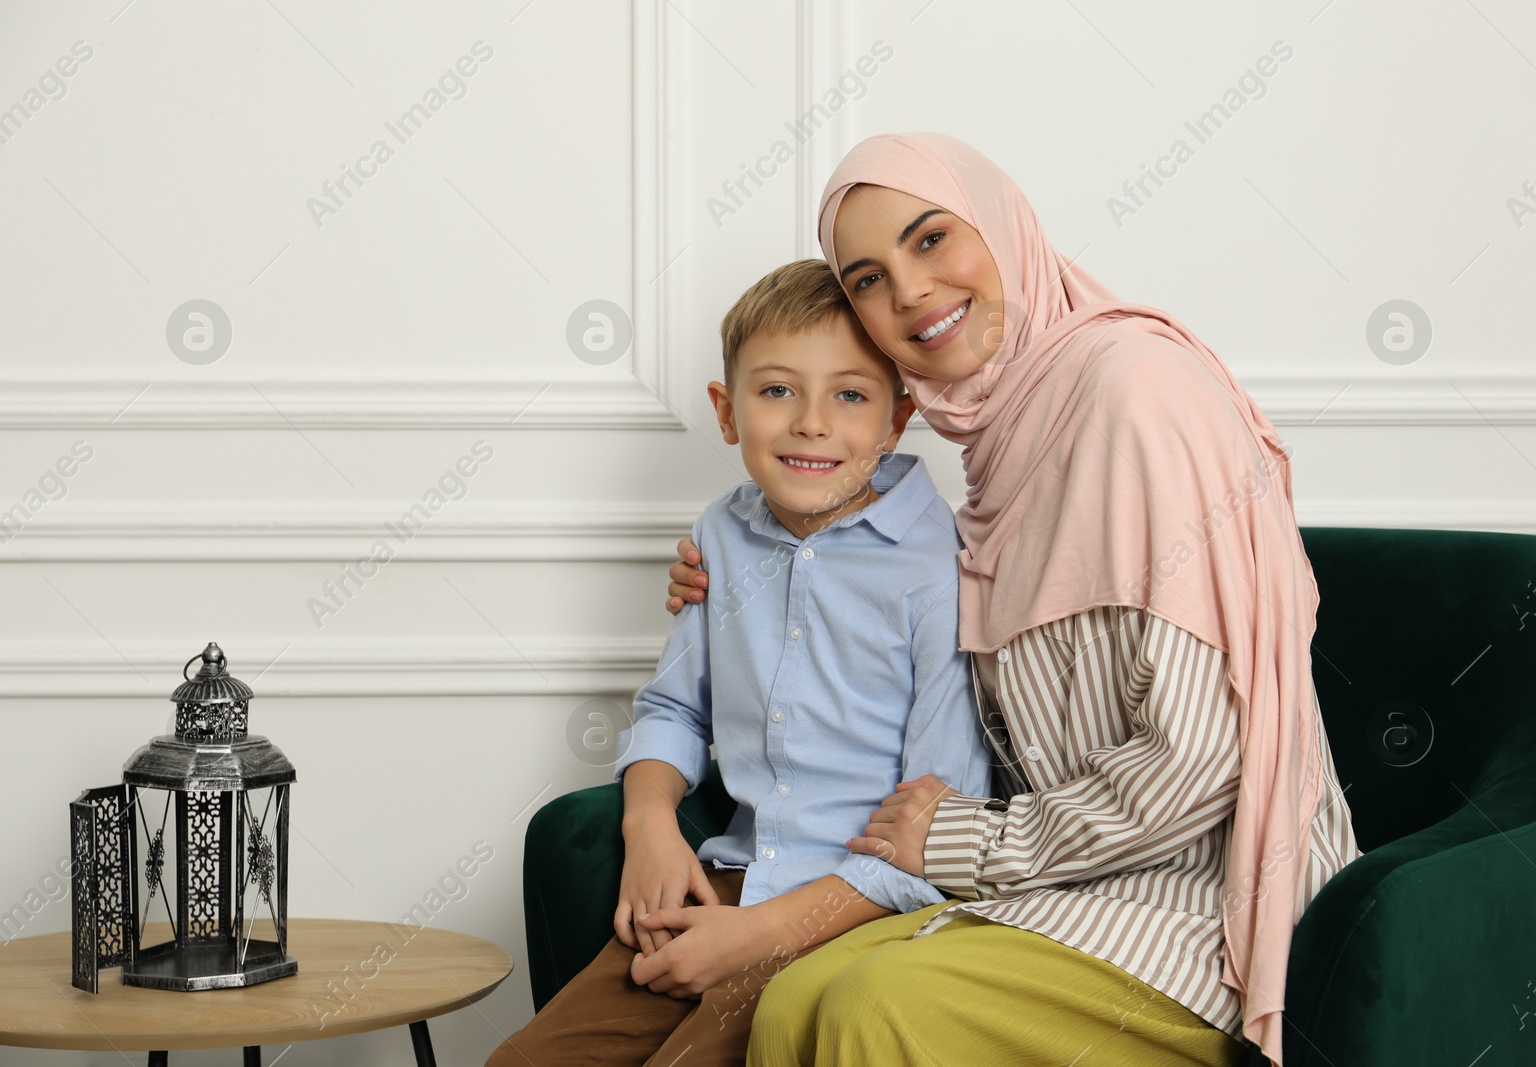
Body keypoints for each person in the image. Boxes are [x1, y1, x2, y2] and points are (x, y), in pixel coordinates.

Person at [662, 134, 1363, 1067]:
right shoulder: (998, 451)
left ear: (1003, 230)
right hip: (1059, 886)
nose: (909, 291)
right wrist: (743, 571)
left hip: (1199, 907)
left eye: (931, 238)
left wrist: (957, 836)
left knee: (874, 1006)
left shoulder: (1133, 391)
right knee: (790, 1004)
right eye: (867, 278)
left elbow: (1203, 761)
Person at [486, 259, 992, 1067]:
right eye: (777, 390)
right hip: (731, 884)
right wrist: (649, 822)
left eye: (851, 395)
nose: (812, 424)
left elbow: (938, 832)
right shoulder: (722, 534)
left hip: (858, 916)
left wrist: (755, 936)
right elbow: (675, 709)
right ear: (727, 412)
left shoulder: (941, 570)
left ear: (897, 421)